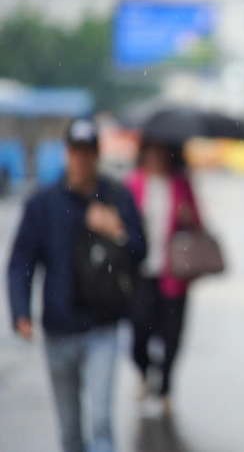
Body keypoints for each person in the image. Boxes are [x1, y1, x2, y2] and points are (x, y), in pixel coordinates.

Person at [7, 118, 147, 452]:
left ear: (97, 155)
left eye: (87, 152)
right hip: (59, 326)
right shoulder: (43, 204)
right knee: (70, 427)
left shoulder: (116, 196)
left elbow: (141, 252)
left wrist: (116, 230)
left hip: (103, 326)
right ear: (66, 154)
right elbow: (21, 262)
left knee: (100, 419)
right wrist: (20, 311)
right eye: (75, 152)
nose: (81, 160)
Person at [125, 142, 201, 413]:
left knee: (172, 335)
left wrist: (187, 218)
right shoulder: (132, 184)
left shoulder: (180, 184)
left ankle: (166, 387)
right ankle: (146, 370)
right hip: (141, 272)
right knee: (139, 332)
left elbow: (198, 223)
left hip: (174, 272)